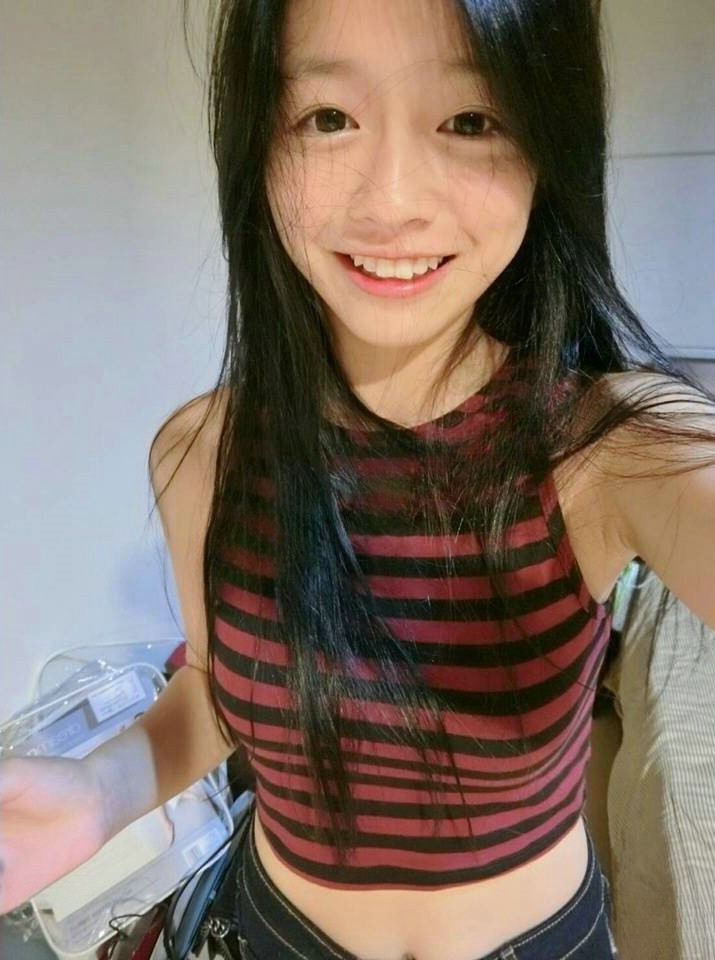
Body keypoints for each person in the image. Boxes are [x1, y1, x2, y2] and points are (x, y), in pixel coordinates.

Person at [1, 0, 714, 957]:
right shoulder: (202, 452)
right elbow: (217, 688)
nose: (391, 199)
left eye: (470, 119)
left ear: (546, 149)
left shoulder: (611, 448)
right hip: (273, 930)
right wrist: (97, 792)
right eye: (327, 117)